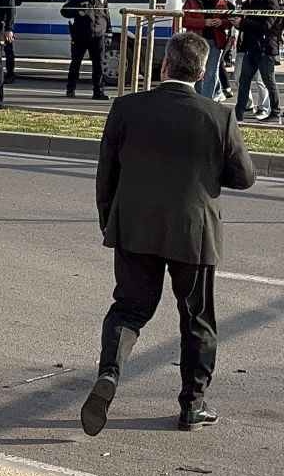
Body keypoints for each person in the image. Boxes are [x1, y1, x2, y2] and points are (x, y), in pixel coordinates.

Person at [82, 31, 255, 438]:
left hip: (134, 228)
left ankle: (110, 372)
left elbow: (106, 173)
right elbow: (244, 177)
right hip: (192, 232)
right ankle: (192, 406)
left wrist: (110, 222)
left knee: (128, 308)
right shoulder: (218, 116)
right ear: (201, 71)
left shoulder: (126, 108)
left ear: (164, 66)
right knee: (196, 318)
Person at [230, 0, 283, 123]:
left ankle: (275, 112)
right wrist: (238, 15)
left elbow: (265, 26)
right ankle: (238, 112)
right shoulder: (251, 3)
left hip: (265, 49)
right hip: (250, 48)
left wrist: (243, 22)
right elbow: (245, 19)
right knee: (244, 81)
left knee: (268, 82)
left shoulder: (271, 3)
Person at [60, 0, 112, 100]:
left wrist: (109, 32)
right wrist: (77, 11)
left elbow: (106, 14)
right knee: (76, 63)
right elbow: (64, 11)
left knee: (98, 65)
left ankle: (98, 92)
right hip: (81, 35)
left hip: (98, 35)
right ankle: (70, 89)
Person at [182, 0, 232, 99]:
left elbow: (230, 20)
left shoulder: (222, 2)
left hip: (215, 42)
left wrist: (222, 22)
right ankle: (198, 98)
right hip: (197, 43)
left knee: (211, 73)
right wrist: (204, 22)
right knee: (197, 72)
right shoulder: (192, 1)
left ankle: (206, 101)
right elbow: (184, 20)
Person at [210, 0, 239, 100]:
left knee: (217, 62)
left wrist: (234, 35)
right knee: (216, 62)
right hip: (213, 32)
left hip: (227, 32)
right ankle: (223, 88)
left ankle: (221, 89)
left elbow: (234, 15)